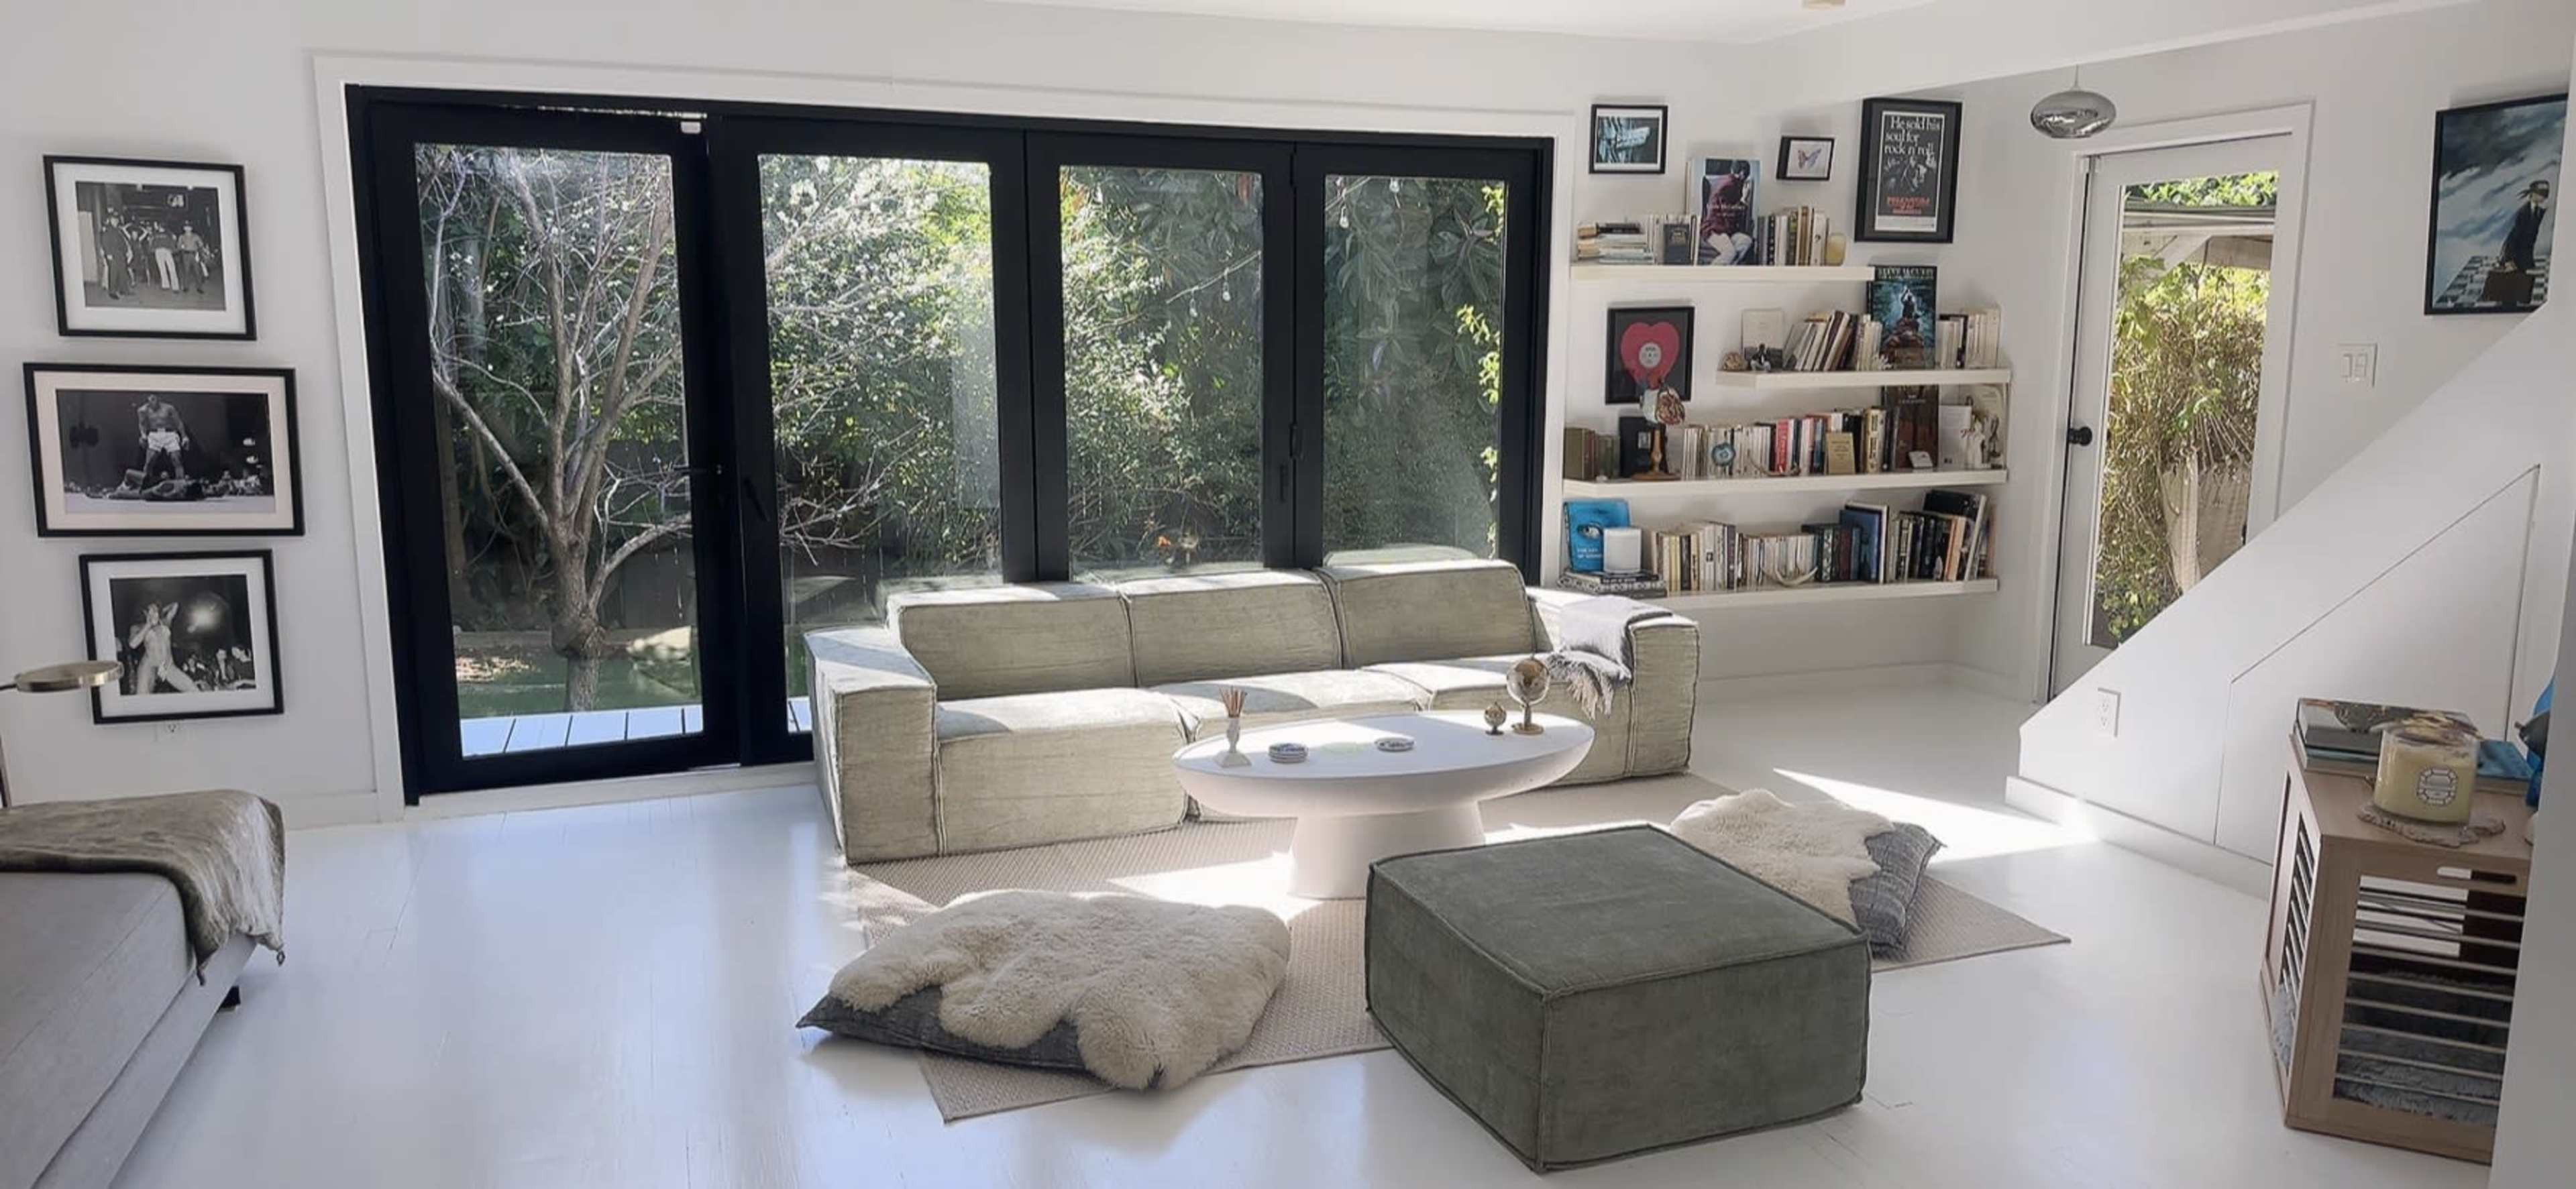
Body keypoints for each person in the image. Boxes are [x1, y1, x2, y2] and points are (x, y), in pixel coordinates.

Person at [127, 602, 200, 695]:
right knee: (142, 697)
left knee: (193, 689)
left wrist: (164, 610)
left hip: (167, 665)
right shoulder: (138, 627)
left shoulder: (165, 622)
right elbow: (133, 644)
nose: (155, 614)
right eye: (151, 612)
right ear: (145, 613)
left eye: (156, 611)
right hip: (150, 665)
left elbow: (176, 605)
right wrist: (148, 625)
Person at [2502, 180, 2551, 274]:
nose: (2544, 198)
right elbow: (2514, 236)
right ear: (2534, 194)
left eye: (2545, 195)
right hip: (2516, 256)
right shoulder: (2524, 212)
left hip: (2527, 257)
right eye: (2542, 194)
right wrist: (2508, 259)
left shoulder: (2539, 211)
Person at [94, 213, 133, 300]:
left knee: (123, 272)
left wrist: (126, 251)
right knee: (114, 273)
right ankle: (112, 292)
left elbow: (122, 242)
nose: (116, 221)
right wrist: (108, 254)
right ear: (111, 220)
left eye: (117, 220)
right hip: (113, 254)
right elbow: (105, 242)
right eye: (114, 220)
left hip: (120, 254)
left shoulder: (117, 230)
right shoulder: (108, 230)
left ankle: (124, 290)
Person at [176, 223, 212, 294]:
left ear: (191, 229)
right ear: (184, 229)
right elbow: (178, 246)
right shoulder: (182, 237)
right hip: (186, 255)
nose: (187, 229)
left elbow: (201, 245)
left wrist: (203, 252)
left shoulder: (196, 236)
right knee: (186, 271)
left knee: (197, 271)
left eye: (189, 227)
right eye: (186, 227)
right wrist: (181, 247)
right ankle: (186, 287)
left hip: (195, 254)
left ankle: (199, 288)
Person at [147, 222, 180, 292]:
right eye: (160, 226)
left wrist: (173, 249)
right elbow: (151, 242)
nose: (160, 227)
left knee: (172, 268)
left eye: (162, 226)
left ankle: (175, 287)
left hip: (167, 251)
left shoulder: (169, 233)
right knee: (162, 269)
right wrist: (151, 249)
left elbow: (173, 241)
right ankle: (165, 285)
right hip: (158, 251)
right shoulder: (155, 234)